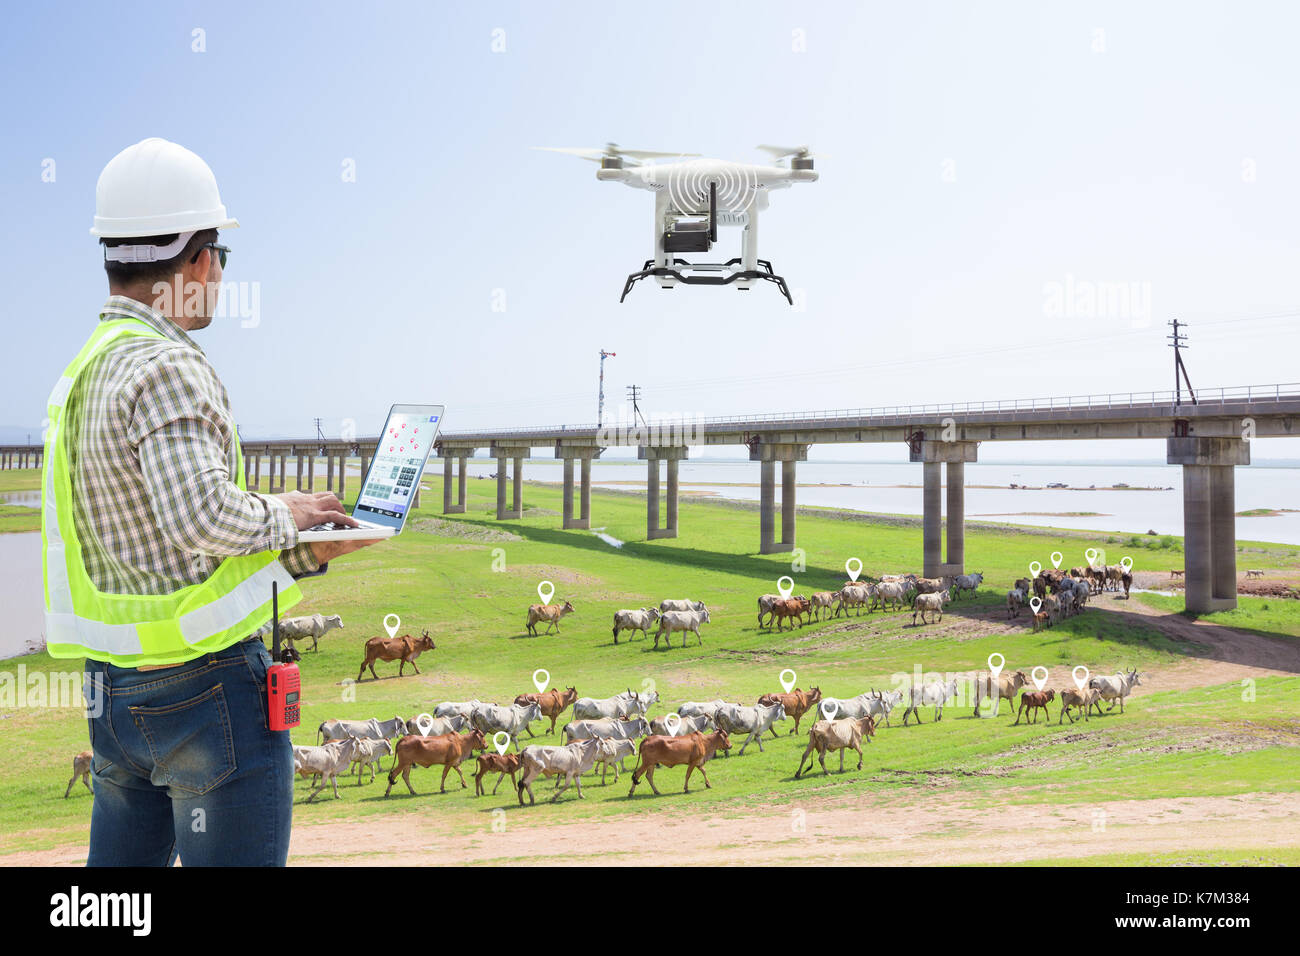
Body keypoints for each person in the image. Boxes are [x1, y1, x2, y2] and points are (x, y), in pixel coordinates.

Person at [42, 138, 381, 865]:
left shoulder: (85, 371)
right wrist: (290, 520)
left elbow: (156, 535)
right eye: (220, 256)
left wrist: (293, 532)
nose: (221, 276)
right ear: (197, 258)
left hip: (113, 690)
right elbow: (197, 517)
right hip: (204, 695)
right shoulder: (166, 365)